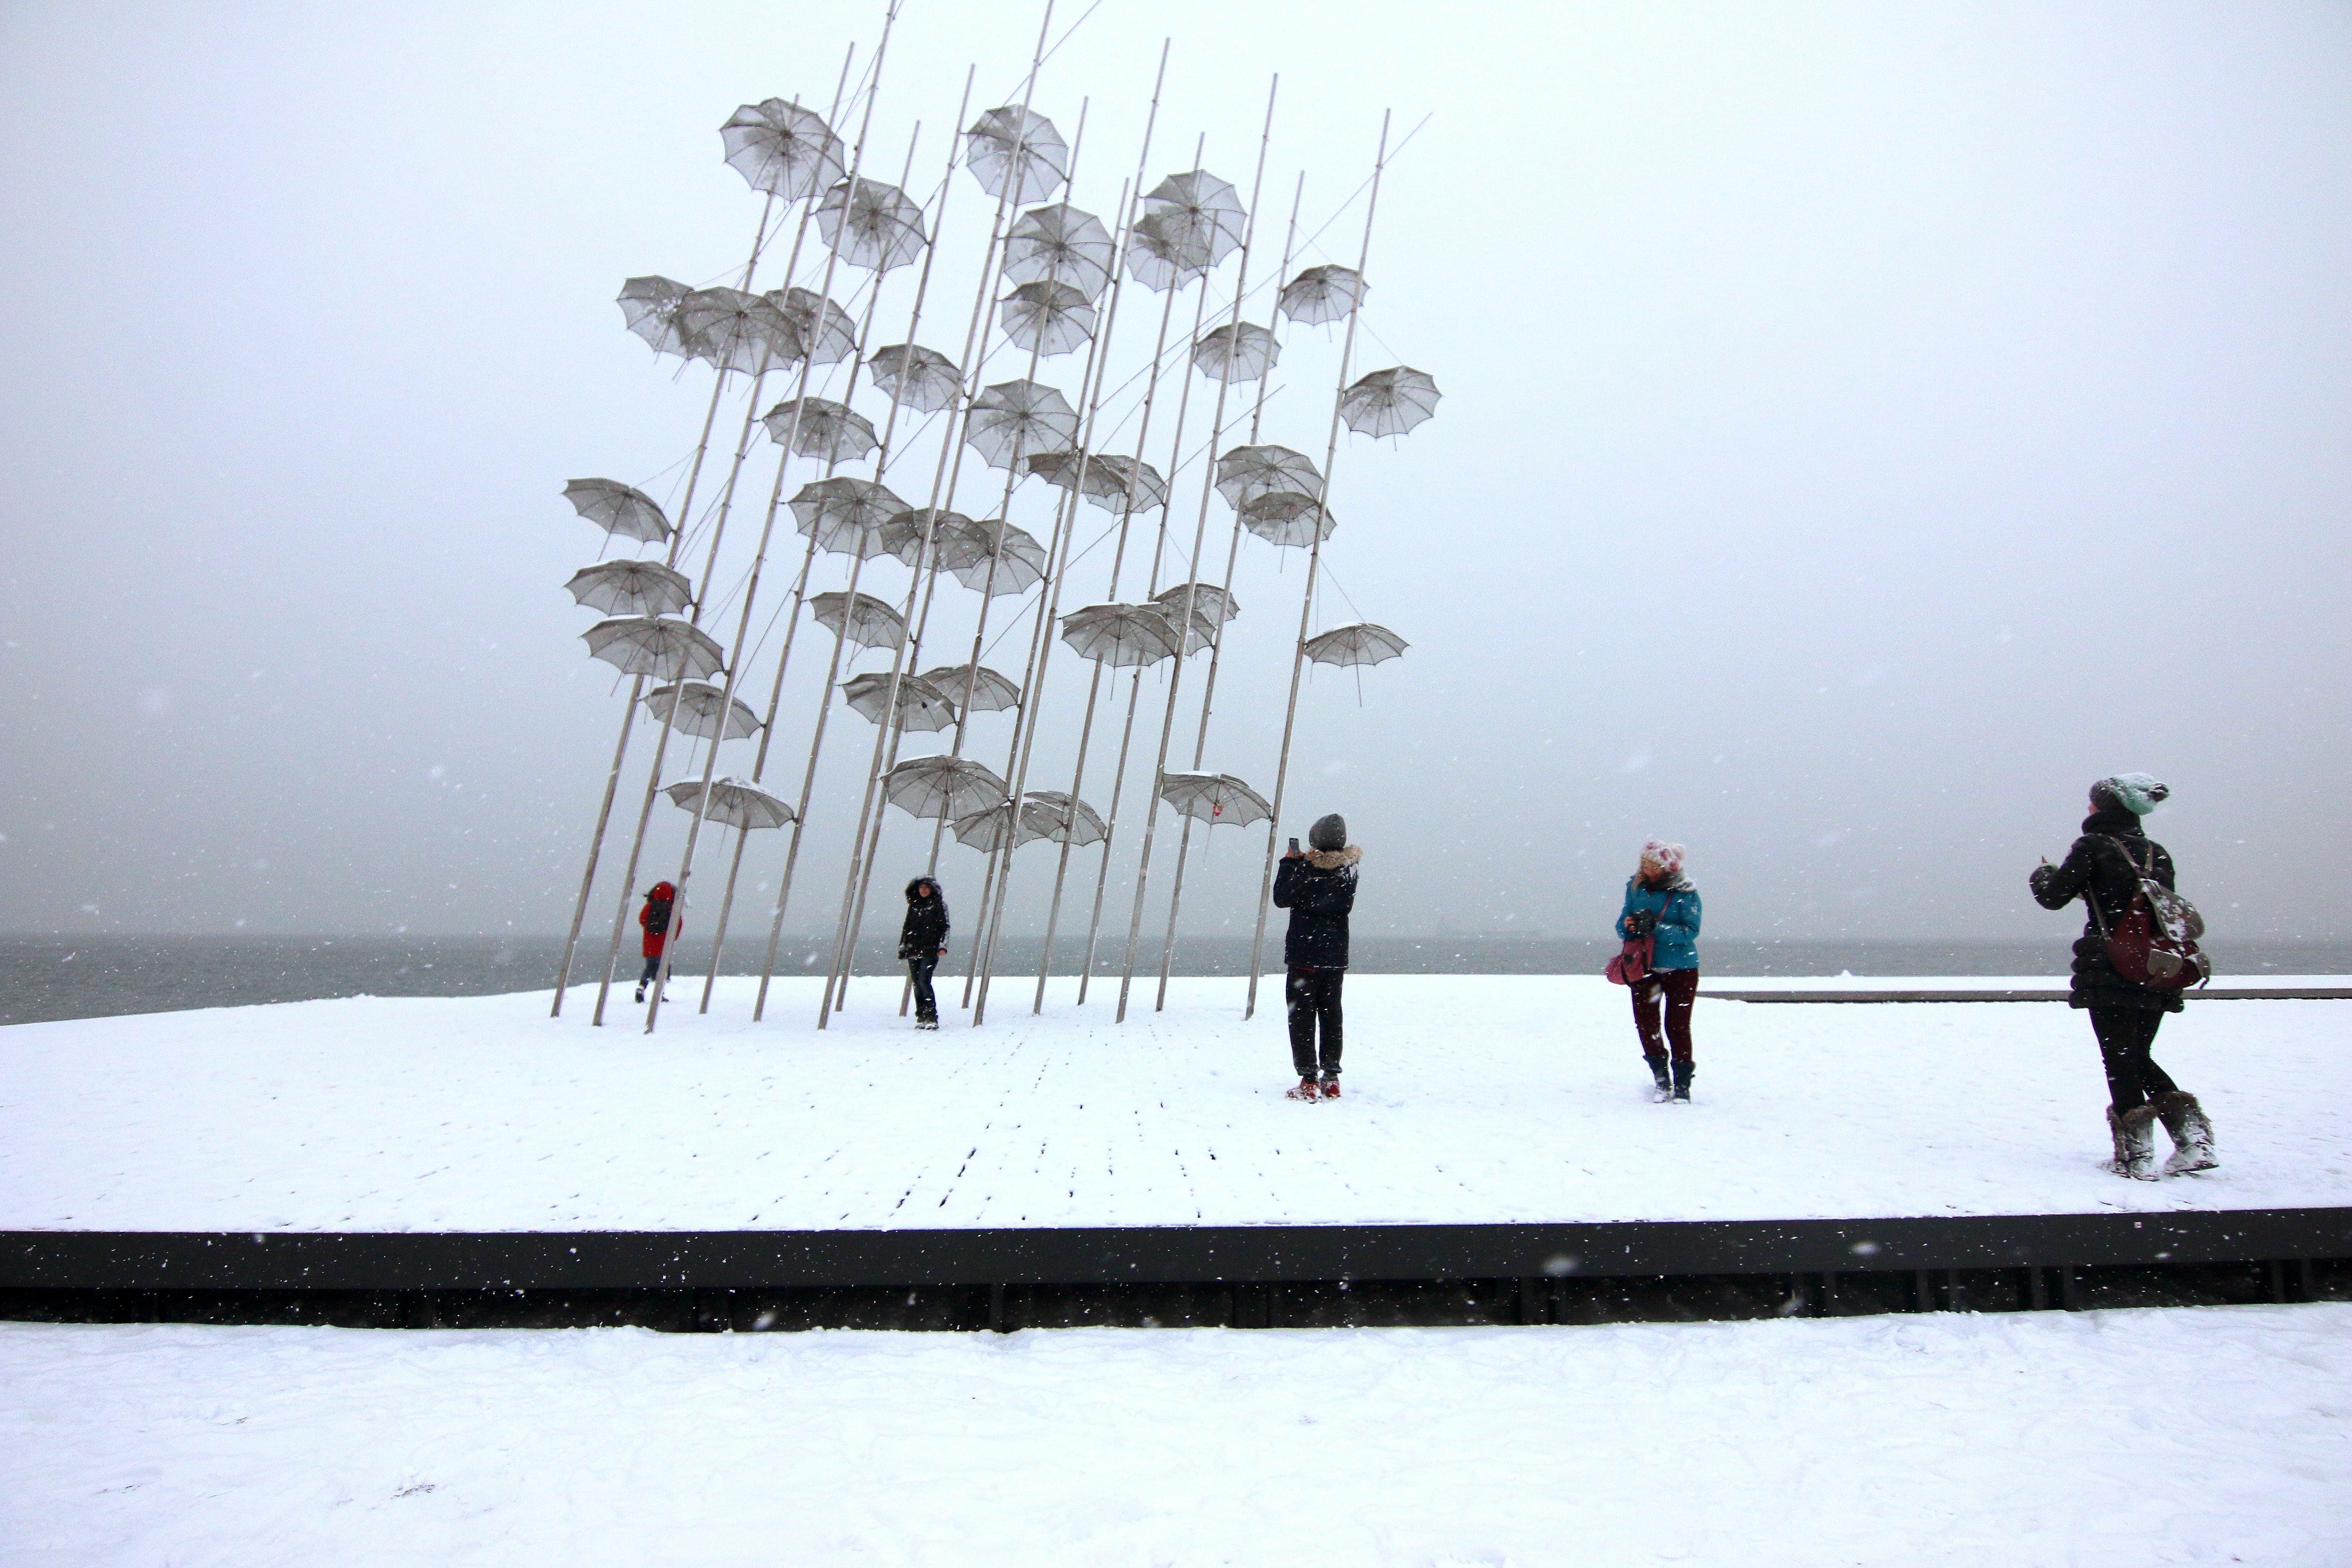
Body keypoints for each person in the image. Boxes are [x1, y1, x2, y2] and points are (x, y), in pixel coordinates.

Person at [2030, 773, 2217, 1180]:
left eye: (2093, 801)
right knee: (2137, 1055)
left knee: (2119, 1059)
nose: (2089, 808)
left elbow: (2053, 897)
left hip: (2111, 969)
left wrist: (2043, 874)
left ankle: (2137, 1157)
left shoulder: (2092, 846)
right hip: (2156, 967)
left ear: (2105, 806)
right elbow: (2147, 907)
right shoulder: (2156, 853)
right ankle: (2193, 1140)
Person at [1274, 813, 1360, 1100]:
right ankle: (1332, 1078)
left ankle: (1309, 1079)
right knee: (1331, 1014)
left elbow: (1281, 898)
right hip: (1335, 957)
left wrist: (1289, 863)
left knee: (1302, 1017)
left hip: (1305, 956)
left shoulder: (1306, 870)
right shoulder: (1350, 870)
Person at [1618, 841, 1702, 1102]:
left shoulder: (1686, 893)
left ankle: (1683, 1084)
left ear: (1667, 867)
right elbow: (1621, 926)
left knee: (1678, 1026)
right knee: (1647, 1026)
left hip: (1682, 968)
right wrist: (1629, 925)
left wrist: (1656, 928)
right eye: (1645, 864)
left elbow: (1691, 931)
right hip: (1645, 967)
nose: (1648, 870)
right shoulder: (1636, 888)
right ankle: (1661, 1079)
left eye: (1654, 866)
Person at [898, 876, 949, 1030]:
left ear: (932, 889)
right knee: (917, 984)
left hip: (930, 950)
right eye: (921, 888)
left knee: (924, 981)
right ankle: (921, 1015)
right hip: (913, 949)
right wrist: (903, 946)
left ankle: (931, 1016)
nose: (924, 890)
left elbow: (945, 927)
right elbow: (907, 927)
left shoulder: (939, 905)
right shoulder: (914, 906)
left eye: (927, 888)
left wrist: (942, 946)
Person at [634, 881, 677, 1004]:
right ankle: (660, 993)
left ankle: (642, 987)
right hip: (664, 945)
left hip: (650, 944)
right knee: (662, 970)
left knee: (650, 967)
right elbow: (677, 925)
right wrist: (671, 937)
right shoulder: (672, 909)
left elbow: (642, 919)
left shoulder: (649, 906)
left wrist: (651, 929)